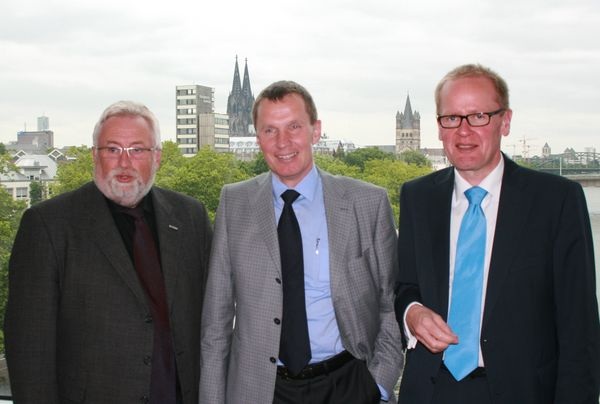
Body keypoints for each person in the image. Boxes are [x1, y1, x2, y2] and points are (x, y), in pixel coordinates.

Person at [395, 63, 600, 403]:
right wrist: (411, 311)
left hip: (524, 392)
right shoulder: (418, 196)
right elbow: (404, 286)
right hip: (431, 390)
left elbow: (579, 326)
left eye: (478, 116)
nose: (463, 131)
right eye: (451, 118)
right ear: (438, 127)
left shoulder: (556, 200)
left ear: (505, 121)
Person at [200, 80, 403, 403]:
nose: (283, 142)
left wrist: (377, 383)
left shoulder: (368, 203)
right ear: (257, 138)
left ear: (315, 130)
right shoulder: (234, 203)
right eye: (270, 130)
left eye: (294, 127)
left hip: (348, 386)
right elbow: (216, 322)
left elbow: (392, 301)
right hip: (260, 391)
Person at [4, 101, 212, 404]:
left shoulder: (190, 216)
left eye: (138, 150)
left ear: (157, 158)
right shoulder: (48, 225)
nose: (124, 163)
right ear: (94, 156)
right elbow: (29, 348)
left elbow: (213, 318)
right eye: (112, 149)